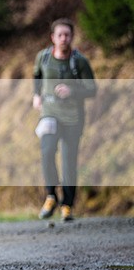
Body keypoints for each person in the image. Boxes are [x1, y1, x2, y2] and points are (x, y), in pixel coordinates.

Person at [32, 18, 96, 224]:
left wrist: (72, 91)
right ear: (53, 37)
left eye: (67, 35)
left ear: (72, 37)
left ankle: (67, 205)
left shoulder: (79, 62)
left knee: (69, 162)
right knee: (47, 150)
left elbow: (92, 88)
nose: (63, 38)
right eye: (59, 35)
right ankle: (51, 195)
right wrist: (36, 95)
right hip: (49, 114)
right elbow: (37, 76)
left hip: (73, 118)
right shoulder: (43, 58)